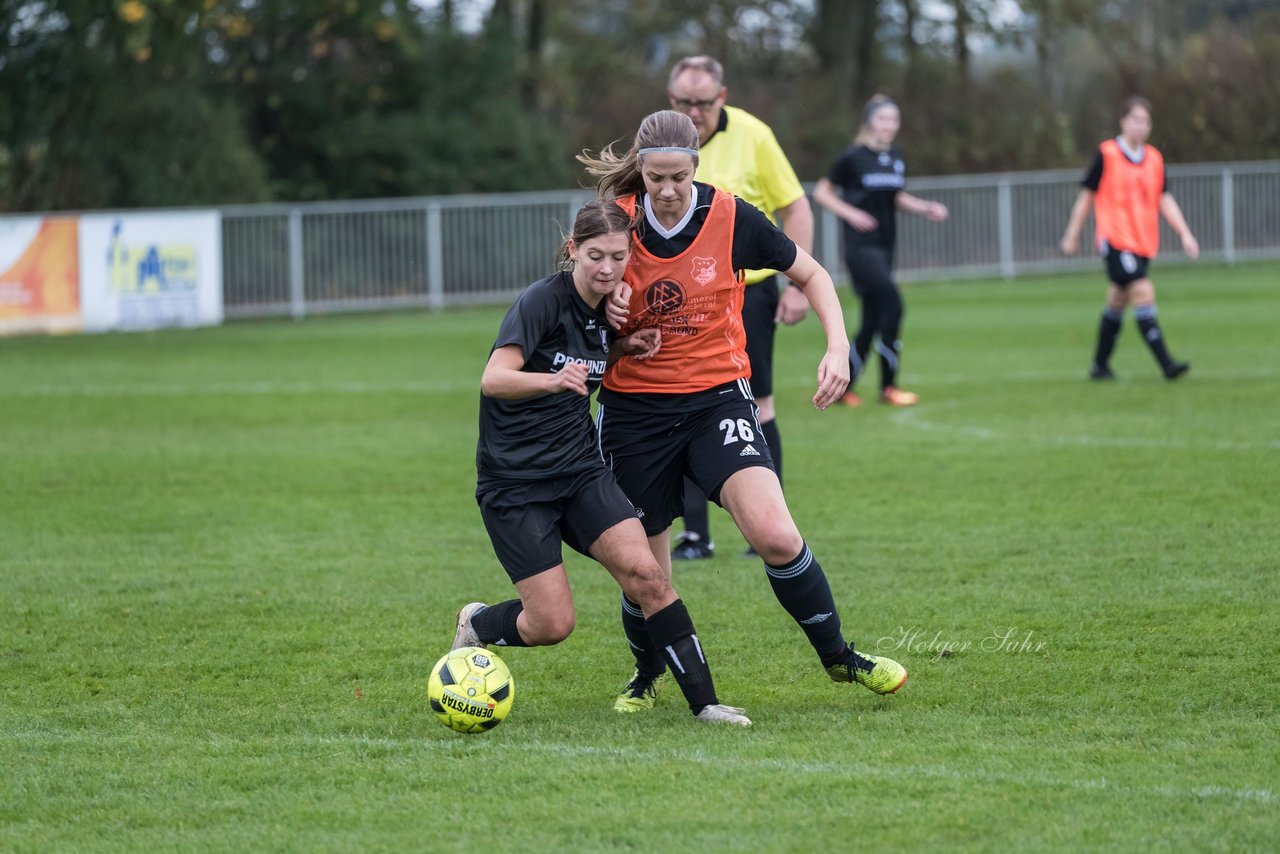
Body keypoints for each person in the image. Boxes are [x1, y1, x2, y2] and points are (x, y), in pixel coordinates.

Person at [578, 110, 908, 713]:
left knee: (776, 534)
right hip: (635, 413)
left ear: (697, 166)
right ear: (641, 173)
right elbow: (572, 313)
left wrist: (838, 348)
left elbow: (812, 274)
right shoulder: (615, 223)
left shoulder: (732, 217)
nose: (668, 190)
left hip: (718, 398)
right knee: (645, 572)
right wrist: (607, 315)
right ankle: (646, 675)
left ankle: (839, 657)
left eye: (679, 176)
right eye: (656, 179)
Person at [450, 198, 750, 726]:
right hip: (516, 485)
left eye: (617, 256)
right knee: (552, 624)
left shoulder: (610, 307)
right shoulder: (542, 300)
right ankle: (477, 624)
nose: (607, 268)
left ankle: (705, 704)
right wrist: (552, 381)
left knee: (648, 576)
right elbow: (493, 378)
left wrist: (625, 347)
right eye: (595, 256)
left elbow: (585, 357)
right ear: (573, 251)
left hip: (581, 473)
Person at [664, 55, 814, 563]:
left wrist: (796, 287)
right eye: (684, 102)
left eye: (703, 103)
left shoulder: (754, 134)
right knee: (678, 404)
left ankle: (765, 529)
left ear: (721, 98)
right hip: (680, 299)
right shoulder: (662, 146)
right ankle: (694, 536)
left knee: (760, 404)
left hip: (749, 294)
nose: (694, 111)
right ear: (671, 102)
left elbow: (795, 207)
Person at [812, 94, 949, 407]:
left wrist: (926, 208)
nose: (889, 125)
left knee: (872, 321)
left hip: (886, 247)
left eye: (894, 120)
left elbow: (896, 196)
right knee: (893, 305)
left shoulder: (896, 156)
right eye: (883, 119)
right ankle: (889, 387)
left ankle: (842, 388)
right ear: (870, 121)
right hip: (861, 250)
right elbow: (822, 192)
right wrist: (850, 213)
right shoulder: (853, 157)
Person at [1060, 95, 1197, 380]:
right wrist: (1072, 233)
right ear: (1123, 121)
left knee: (1117, 301)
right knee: (1142, 290)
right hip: (1115, 239)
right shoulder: (1107, 154)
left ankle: (1099, 366)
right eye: (1135, 119)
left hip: (1143, 242)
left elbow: (1164, 198)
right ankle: (1166, 364)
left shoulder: (1154, 159)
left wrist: (1184, 232)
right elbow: (1087, 196)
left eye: (1146, 121)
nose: (1141, 126)